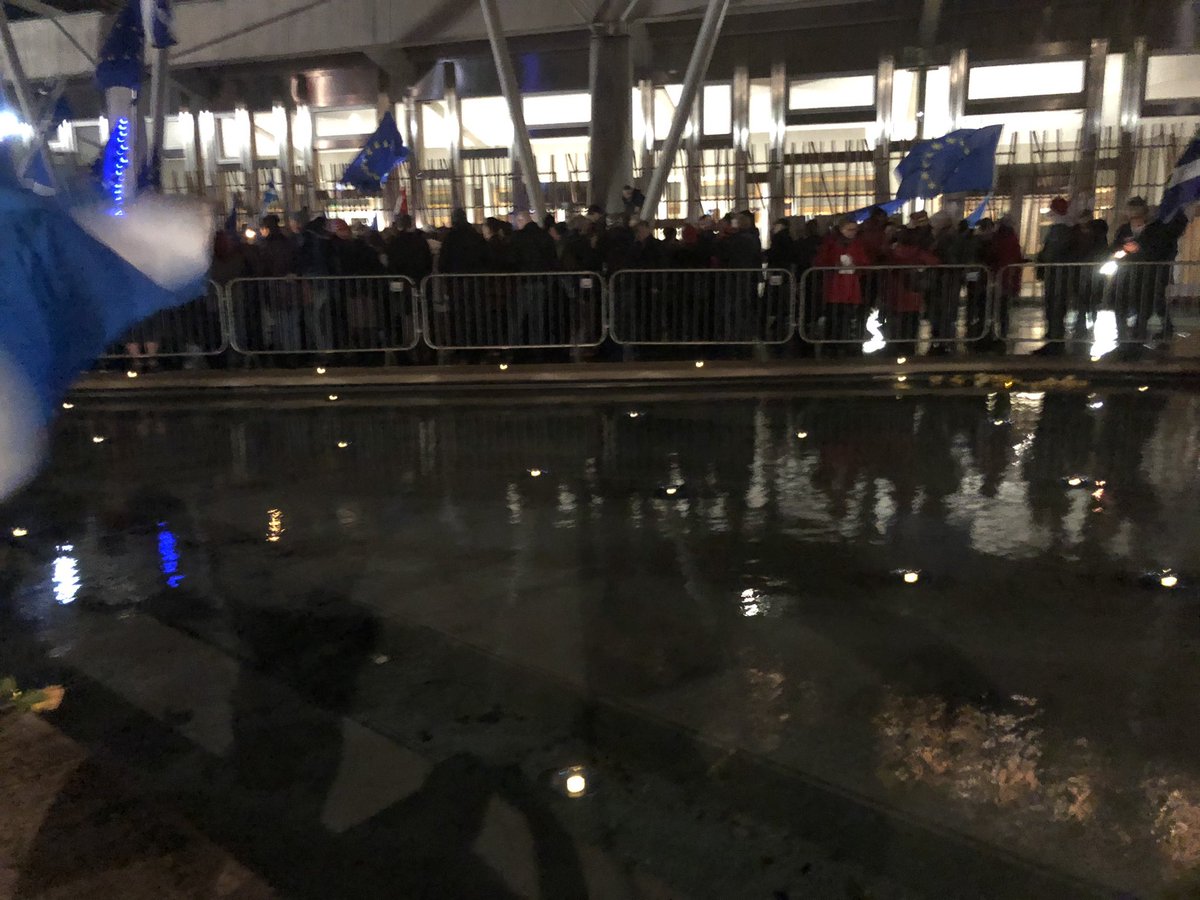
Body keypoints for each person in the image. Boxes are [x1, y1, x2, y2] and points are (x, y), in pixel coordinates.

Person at [1110, 196, 1189, 351]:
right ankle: (1125, 335)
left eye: (1137, 215)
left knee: (1148, 303)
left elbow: (1158, 249)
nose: (1134, 218)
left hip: (1149, 274)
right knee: (1123, 303)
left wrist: (1139, 249)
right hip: (1127, 274)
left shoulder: (1155, 229)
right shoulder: (1124, 230)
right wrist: (1121, 251)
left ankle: (1140, 336)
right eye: (1132, 215)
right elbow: (1115, 247)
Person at [813, 216, 870, 351]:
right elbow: (820, 260)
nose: (852, 232)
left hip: (850, 286)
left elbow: (865, 262)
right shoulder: (831, 243)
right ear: (841, 229)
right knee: (833, 317)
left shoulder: (857, 244)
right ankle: (832, 343)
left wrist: (857, 266)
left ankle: (843, 342)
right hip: (835, 286)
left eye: (854, 229)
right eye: (849, 229)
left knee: (847, 317)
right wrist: (834, 264)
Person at [884, 228, 939, 357]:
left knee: (896, 323)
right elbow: (934, 261)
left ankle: (894, 347)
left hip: (896, 294)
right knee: (911, 323)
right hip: (913, 295)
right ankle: (909, 348)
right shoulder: (919, 253)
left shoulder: (894, 252)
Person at [1034, 195, 1077, 354]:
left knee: (1055, 307)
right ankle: (1054, 339)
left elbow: (1052, 252)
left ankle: (1055, 341)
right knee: (1054, 307)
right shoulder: (1063, 229)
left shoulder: (1060, 230)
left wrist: (1042, 260)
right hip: (1056, 274)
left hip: (1057, 275)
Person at [510, 211, 558, 345]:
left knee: (518, 317)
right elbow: (552, 259)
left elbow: (512, 259)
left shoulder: (518, 237)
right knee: (537, 317)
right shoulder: (544, 236)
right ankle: (537, 345)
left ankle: (516, 346)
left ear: (521, 221)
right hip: (541, 281)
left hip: (523, 280)